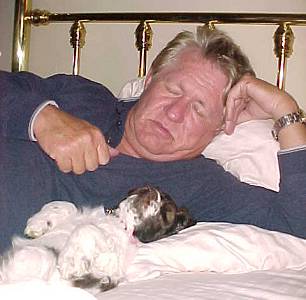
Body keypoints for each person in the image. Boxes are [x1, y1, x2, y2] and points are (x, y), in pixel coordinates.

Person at [0, 26, 306, 253]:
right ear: (148, 82)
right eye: (173, 90)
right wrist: (42, 118)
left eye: (199, 110)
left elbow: (297, 226)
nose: (174, 113)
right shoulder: (83, 96)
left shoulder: (203, 185)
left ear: (220, 127)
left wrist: (286, 112)